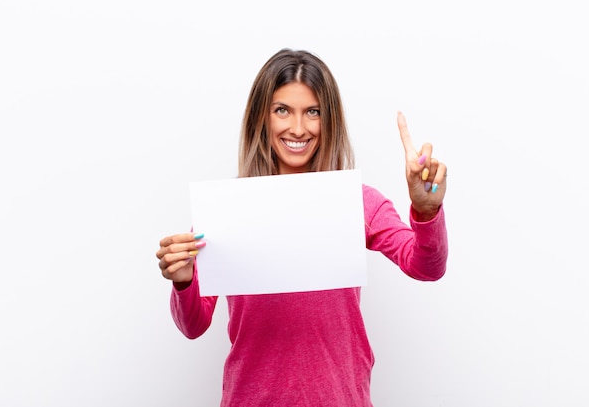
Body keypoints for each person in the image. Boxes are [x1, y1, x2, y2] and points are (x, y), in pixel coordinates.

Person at [155, 48, 448, 407]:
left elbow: (425, 266)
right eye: (283, 111)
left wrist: (425, 209)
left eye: (313, 112)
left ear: (329, 121)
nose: (298, 128)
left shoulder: (358, 201)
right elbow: (193, 325)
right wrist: (183, 281)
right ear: (262, 118)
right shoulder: (226, 210)